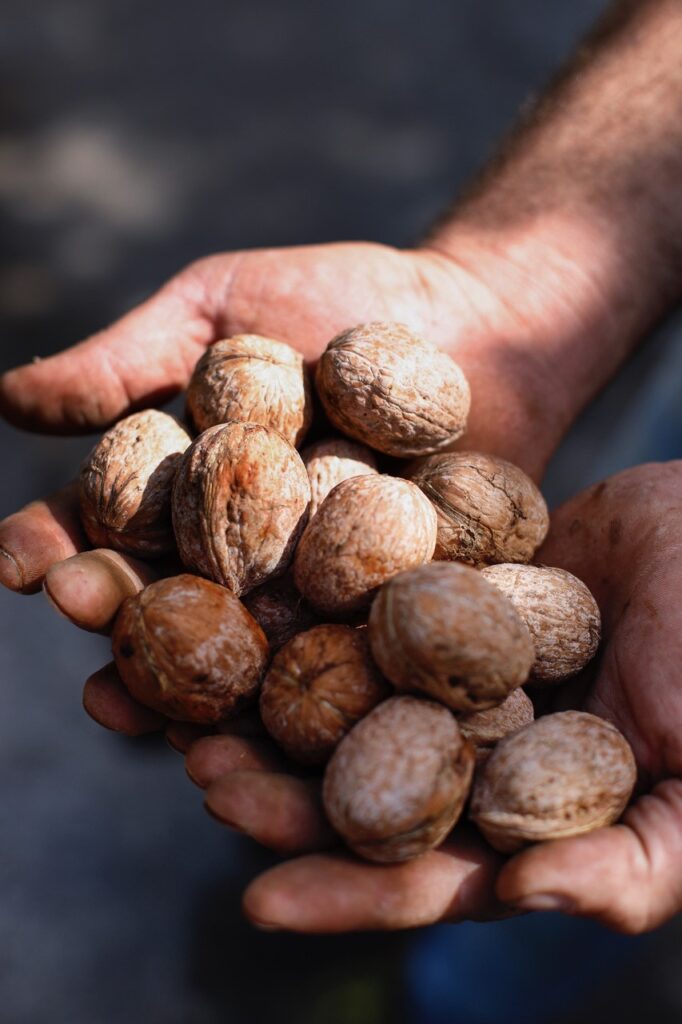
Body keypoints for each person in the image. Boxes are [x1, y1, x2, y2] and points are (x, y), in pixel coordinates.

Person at [1, 0, 681, 934]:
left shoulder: (426, 583)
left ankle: (456, 987)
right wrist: (510, 296)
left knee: (547, 902)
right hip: (330, 576)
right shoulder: (328, 510)